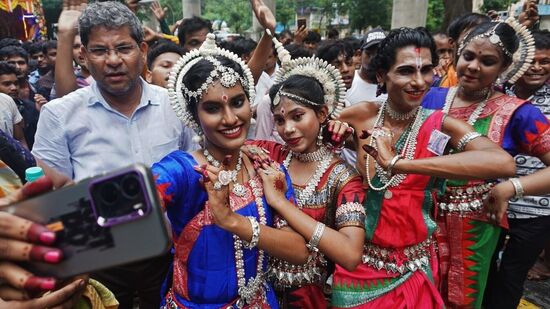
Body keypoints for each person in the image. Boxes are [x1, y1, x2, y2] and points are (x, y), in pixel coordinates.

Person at [330, 27, 515, 308]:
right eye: (405, 71)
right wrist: (332, 132)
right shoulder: (358, 116)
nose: (419, 82)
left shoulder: (440, 124)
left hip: (413, 268)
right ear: (381, 75)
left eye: (426, 70)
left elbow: (502, 162)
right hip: (358, 265)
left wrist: (403, 164)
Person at [31, 2, 194, 307]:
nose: (114, 60)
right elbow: (50, 198)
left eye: (123, 48)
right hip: (98, 266)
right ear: (83, 56)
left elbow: (195, 174)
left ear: (142, 50)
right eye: (100, 51)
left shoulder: (175, 106)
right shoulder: (59, 115)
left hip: (170, 259)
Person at [158, 17, 312, 308]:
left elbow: (300, 251)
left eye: (238, 103)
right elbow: (138, 200)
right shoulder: (184, 171)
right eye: (213, 108)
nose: (230, 119)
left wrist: (231, 221)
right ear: (194, 115)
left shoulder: (267, 169)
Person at [421, 21, 550, 309]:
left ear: (504, 67)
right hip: (419, 217)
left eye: (487, 61)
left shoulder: (518, 112)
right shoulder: (430, 97)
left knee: (462, 298)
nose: (474, 67)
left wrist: (510, 189)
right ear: (457, 54)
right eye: (469, 56)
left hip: (476, 226)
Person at [244, 39, 365, 308]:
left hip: (310, 297)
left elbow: (349, 253)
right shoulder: (272, 154)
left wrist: (280, 203)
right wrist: (244, 150)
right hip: (262, 290)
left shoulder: (343, 177)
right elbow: (227, 135)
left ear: (322, 114)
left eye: (297, 116)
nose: (287, 128)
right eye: (279, 119)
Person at [483, 29, 550, 309]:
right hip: (490, 204)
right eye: (530, 61)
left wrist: (514, 188)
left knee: (512, 276)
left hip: (536, 208)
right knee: (485, 273)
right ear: (515, 63)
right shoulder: (496, 95)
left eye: (544, 61)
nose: (536, 67)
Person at [0, 62, 38, 149]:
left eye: (16, 83)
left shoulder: (30, 107)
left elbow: (21, 143)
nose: (14, 88)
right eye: (7, 84)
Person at [347, 27, 388, 106]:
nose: (374, 58)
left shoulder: (393, 86)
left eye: (380, 53)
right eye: (369, 53)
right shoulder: (348, 82)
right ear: (359, 54)